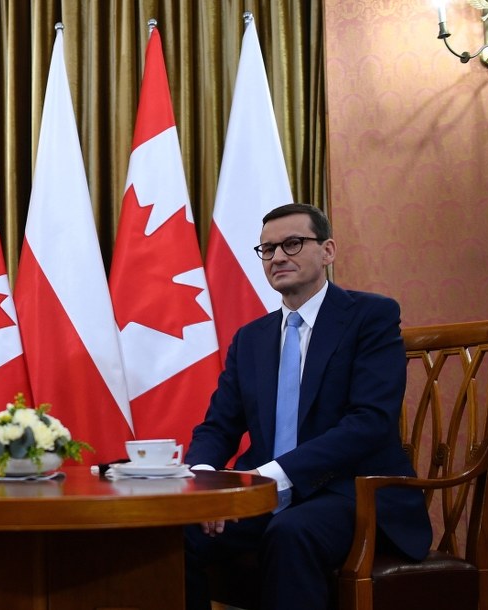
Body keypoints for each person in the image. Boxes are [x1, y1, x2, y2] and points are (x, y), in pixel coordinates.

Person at [184, 203, 432, 610]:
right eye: (268, 249)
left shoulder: (371, 315)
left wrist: (269, 477)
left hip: (353, 493)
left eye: (293, 244)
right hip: (265, 494)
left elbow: (369, 423)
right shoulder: (251, 338)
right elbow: (217, 427)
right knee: (175, 533)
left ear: (328, 251)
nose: (278, 256)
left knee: (290, 532)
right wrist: (203, 484)